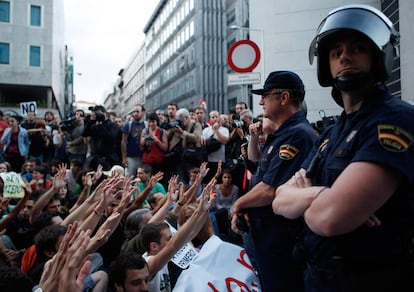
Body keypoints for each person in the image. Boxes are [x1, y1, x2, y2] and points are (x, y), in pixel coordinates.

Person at [272, 5, 414, 292]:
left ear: (378, 56)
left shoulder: (395, 121)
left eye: (358, 48)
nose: (345, 56)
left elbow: (330, 218)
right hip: (319, 278)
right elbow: (280, 199)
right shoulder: (333, 132)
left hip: (371, 281)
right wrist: (323, 194)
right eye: (335, 52)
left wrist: (308, 199)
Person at [230, 71, 317, 292]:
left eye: (266, 95)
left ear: (284, 97)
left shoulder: (297, 135)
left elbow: (269, 189)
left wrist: (238, 205)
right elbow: (259, 169)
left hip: (280, 236)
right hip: (267, 232)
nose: (261, 101)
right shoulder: (283, 134)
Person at [121, 104, 146, 178]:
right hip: (130, 158)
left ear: (143, 112)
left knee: (141, 180)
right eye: (134, 111)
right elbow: (123, 141)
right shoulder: (128, 125)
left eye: (137, 111)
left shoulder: (146, 125)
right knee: (129, 179)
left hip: (143, 158)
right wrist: (124, 158)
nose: (135, 114)